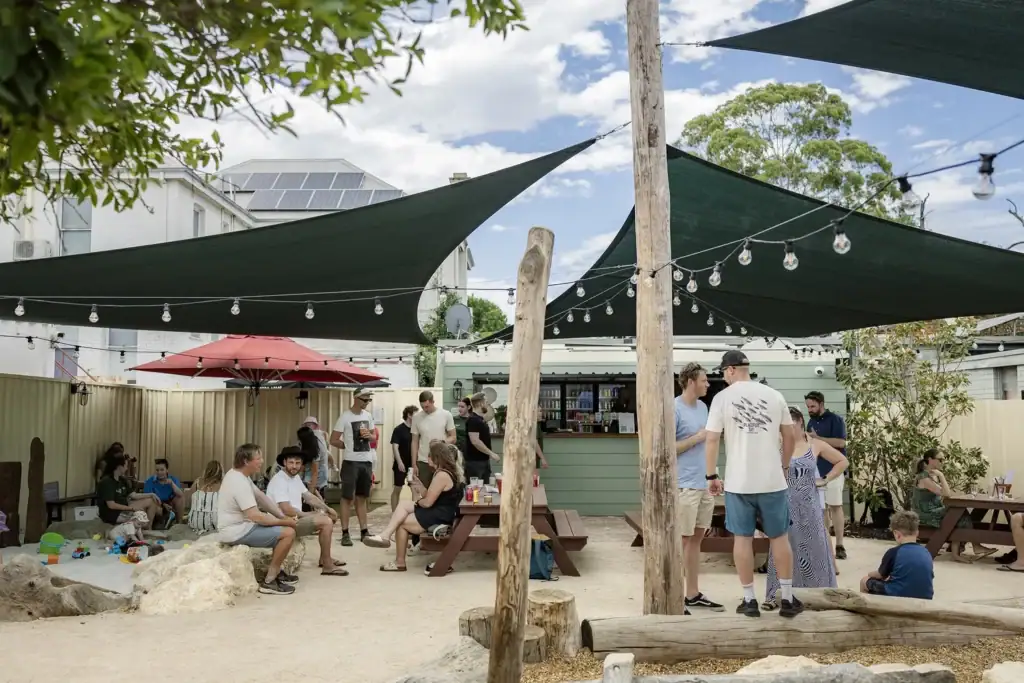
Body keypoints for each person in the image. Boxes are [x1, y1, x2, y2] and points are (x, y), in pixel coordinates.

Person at [704, 350, 801, 618]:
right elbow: (789, 435)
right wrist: (783, 463)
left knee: (742, 539)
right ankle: (788, 598)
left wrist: (711, 475)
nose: (723, 377)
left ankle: (749, 600)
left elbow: (712, 439)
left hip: (738, 482)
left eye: (724, 372)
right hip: (772, 480)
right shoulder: (774, 395)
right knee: (779, 538)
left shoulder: (722, 399)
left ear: (732, 369)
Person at [762, 407, 847, 610]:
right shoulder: (777, 445)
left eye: (791, 424)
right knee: (782, 548)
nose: (787, 429)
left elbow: (842, 461)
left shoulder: (815, 445)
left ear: (800, 422)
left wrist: (825, 479)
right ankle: (776, 595)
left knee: (814, 549)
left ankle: (819, 594)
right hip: (784, 503)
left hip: (809, 505)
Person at [363, 442, 465, 572]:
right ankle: (386, 535)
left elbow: (428, 502)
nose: (426, 458)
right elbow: (432, 495)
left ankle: (398, 559)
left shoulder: (441, 475)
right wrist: (419, 486)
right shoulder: (446, 473)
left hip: (440, 516)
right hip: (443, 511)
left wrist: (418, 502)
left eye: (429, 455)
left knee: (402, 523)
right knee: (404, 505)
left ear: (436, 458)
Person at [673, 362, 723, 613]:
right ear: (691, 382)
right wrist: (696, 438)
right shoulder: (674, 408)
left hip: (704, 484)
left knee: (696, 541)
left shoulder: (704, 407)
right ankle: (673, 596)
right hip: (684, 485)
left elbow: (710, 443)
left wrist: (714, 475)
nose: (708, 384)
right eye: (704, 380)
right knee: (681, 541)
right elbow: (667, 448)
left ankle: (692, 593)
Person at [216, 443, 299, 595]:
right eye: (258, 458)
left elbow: (261, 498)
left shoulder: (239, 475)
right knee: (288, 533)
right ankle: (269, 581)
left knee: (283, 529)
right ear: (246, 461)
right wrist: (285, 521)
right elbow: (256, 516)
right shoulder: (238, 482)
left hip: (241, 527)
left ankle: (276, 570)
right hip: (236, 531)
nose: (262, 461)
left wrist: (281, 516)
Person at [266, 446, 347, 576]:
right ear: (284, 462)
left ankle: (324, 558)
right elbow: (286, 509)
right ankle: (327, 565)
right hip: (283, 523)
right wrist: (310, 514)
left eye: (298, 463)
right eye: (291, 462)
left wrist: (326, 508)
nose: (294, 466)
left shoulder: (294, 478)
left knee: (328, 517)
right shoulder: (279, 480)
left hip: (294, 519)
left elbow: (308, 496)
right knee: (325, 522)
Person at [913, 448, 995, 562]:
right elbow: (946, 493)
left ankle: (959, 552)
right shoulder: (924, 478)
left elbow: (947, 493)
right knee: (958, 513)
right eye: (940, 460)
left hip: (935, 510)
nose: (943, 462)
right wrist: (941, 476)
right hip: (926, 514)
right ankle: (972, 547)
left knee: (959, 514)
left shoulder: (932, 475)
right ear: (930, 460)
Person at [805, 391, 849, 560]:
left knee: (835, 506)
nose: (809, 409)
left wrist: (818, 438)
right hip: (817, 472)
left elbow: (841, 443)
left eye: (812, 406)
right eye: (808, 406)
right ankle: (825, 543)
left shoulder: (835, 419)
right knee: (822, 509)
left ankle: (839, 545)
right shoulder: (811, 422)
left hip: (834, 470)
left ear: (821, 404)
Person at [330, 388, 377, 546]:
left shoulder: (368, 416)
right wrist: (347, 445)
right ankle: (345, 532)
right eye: (365, 400)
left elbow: (374, 436)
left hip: (366, 461)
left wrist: (369, 436)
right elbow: (333, 439)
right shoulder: (345, 416)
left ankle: (364, 530)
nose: (367, 403)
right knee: (347, 497)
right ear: (356, 398)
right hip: (351, 462)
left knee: (362, 496)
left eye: (369, 400)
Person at [860, 511, 934, 599]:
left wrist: (870, 574)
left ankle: (867, 610)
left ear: (897, 534)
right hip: (926, 596)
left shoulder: (894, 552)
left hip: (898, 595)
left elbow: (880, 575)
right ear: (917, 532)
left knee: (864, 581)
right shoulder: (926, 552)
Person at [97, 454, 161, 533]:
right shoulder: (107, 482)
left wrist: (151, 494)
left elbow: (133, 495)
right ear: (119, 466)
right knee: (140, 521)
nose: (127, 468)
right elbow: (111, 505)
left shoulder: (122, 480)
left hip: (125, 507)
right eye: (126, 465)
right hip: (112, 513)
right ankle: (140, 526)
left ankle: (148, 527)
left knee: (152, 500)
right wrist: (132, 509)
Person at [410, 390, 456, 487]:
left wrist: (442, 442)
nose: (425, 409)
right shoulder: (416, 417)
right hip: (423, 461)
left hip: (442, 461)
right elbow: (414, 442)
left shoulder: (446, 415)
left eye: (427, 406)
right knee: (423, 490)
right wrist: (414, 464)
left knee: (442, 491)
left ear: (432, 402)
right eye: (422, 407)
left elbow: (453, 437)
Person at [465, 392, 500, 484]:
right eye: (487, 402)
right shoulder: (473, 420)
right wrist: (491, 454)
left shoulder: (480, 420)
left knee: (484, 490)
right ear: (481, 403)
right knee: (475, 490)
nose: (488, 405)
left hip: (483, 461)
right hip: (475, 463)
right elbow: (475, 441)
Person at [390, 405, 418, 511]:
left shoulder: (416, 429)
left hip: (412, 464)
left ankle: (415, 512)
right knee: (398, 488)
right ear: (409, 415)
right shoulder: (399, 429)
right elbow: (395, 447)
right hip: (401, 464)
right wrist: (399, 462)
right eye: (415, 414)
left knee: (414, 488)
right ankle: (394, 512)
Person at [143, 458, 185, 528]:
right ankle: (162, 522)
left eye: (162, 470)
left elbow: (181, 495)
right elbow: (148, 497)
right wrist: (163, 505)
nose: (159, 472)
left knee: (180, 498)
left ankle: (179, 522)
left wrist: (172, 484)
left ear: (167, 470)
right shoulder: (150, 481)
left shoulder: (173, 479)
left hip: (170, 502)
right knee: (155, 505)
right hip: (157, 503)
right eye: (157, 470)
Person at [185, 460, 223, 535]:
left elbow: (188, 500)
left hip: (195, 522)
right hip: (216, 524)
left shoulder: (198, 482)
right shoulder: (224, 483)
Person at [299, 416, 331, 501]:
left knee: (316, 501)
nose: (308, 427)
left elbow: (315, 472)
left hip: (317, 477)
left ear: (316, 426)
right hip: (309, 474)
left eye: (310, 425)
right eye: (306, 425)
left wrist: (311, 493)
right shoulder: (307, 440)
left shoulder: (316, 444)